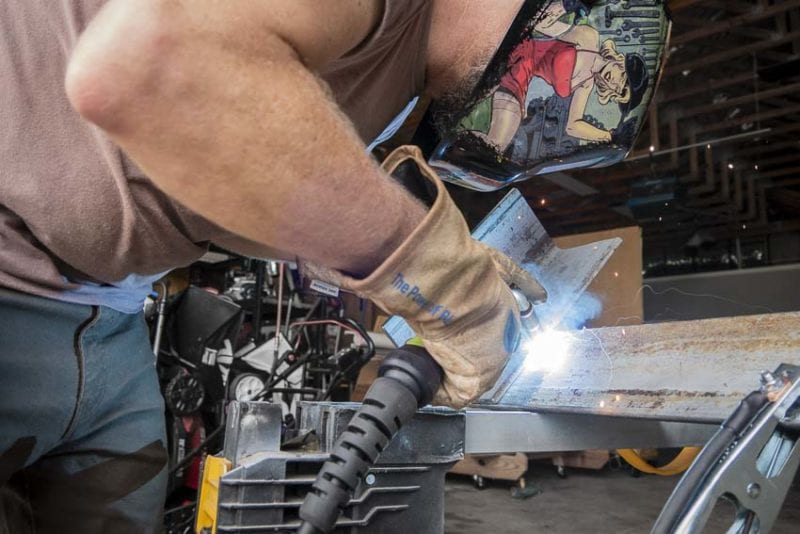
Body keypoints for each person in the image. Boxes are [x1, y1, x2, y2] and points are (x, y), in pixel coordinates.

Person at [0, 1, 558, 532]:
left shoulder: (400, 80)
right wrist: (443, 281)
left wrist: (398, 260)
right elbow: (151, 60)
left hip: (112, 322)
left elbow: (246, 179)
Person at [477, 17, 650, 151]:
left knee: (496, 145)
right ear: (621, 63)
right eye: (622, 79)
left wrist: (609, 136)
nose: (614, 84)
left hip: (519, 77)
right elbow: (541, 24)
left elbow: (573, 126)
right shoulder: (589, 38)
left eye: (618, 91)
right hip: (516, 48)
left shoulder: (586, 85)